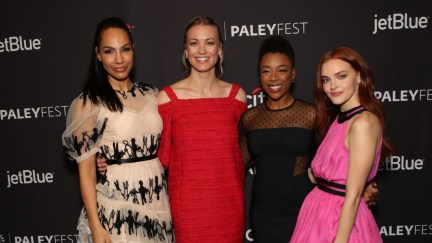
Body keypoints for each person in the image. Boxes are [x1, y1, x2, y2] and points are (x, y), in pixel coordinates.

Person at [62, 17, 174, 243]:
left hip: (158, 204)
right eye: (109, 51)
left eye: (125, 49)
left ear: (133, 50)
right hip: (117, 211)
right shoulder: (89, 103)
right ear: (98, 54)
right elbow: (87, 172)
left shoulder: (153, 94)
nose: (119, 59)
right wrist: (96, 227)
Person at [156, 16, 247, 243]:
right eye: (194, 43)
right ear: (186, 50)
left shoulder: (237, 97)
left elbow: (244, 154)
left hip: (229, 207)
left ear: (220, 49)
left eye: (209, 42)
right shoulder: (168, 99)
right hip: (188, 212)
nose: (202, 50)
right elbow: (158, 158)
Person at [290, 47, 393, 243]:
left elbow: (353, 198)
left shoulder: (363, 123)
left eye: (341, 76)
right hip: (318, 213)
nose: (332, 86)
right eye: (326, 79)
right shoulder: (339, 119)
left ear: (358, 77)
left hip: (340, 221)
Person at [238, 36, 316, 242]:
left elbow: (334, 160)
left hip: (302, 208)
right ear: (260, 76)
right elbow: (238, 166)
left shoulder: (311, 115)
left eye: (281, 70)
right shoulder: (250, 118)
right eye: (266, 71)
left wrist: (363, 185)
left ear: (293, 74)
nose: (273, 78)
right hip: (263, 211)